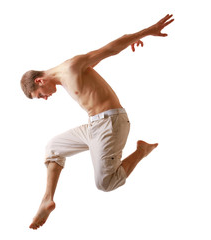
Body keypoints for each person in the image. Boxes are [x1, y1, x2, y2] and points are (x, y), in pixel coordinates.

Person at [20, 14, 174, 230]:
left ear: (39, 81)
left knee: (105, 184)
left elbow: (109, 49)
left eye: (40, 95)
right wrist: (130, 40)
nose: (45, 98)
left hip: (112, 124)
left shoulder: (71, 68)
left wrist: (147, 31)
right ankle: (47, 199)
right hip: (94, 125)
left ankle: (141, 151)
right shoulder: (67, 77)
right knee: (52, 147)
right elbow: (111, 49)